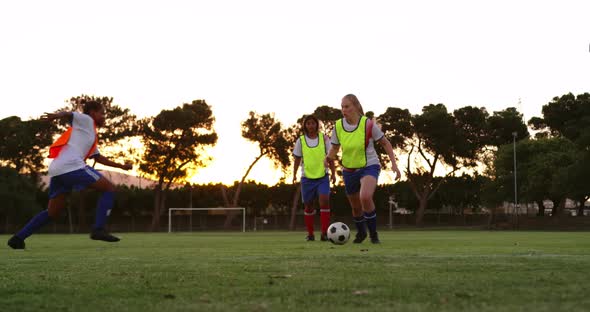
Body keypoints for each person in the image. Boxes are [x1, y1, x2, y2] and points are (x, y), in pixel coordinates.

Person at [7, 101, 132, 250]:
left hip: (57, 169)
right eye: (102, 113)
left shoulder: (87, 134)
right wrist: (56, 116)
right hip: (72, 166)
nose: (104, 117)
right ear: (92, 112)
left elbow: (98, 158)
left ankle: (18, 238)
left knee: (52, 212)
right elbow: (69, 114)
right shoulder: (87, 120)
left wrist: (122, 166)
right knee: (109, 189)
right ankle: (99, 229)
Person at [325, 94, 401, 244]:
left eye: (347, 106)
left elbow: (385, 143)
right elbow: (334, 147)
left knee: (365, 197)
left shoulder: (367, 124)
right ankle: (361, 233)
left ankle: (374, 234)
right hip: (348, 169)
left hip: (369, 166)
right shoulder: (338, 126)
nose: (343, 110)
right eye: (342, 107)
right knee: (356, 207)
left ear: (356, 106)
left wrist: (394, 164)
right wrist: (328, 158)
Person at [292, 115, 336, 241]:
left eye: (313, 123)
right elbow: (297, 159)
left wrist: (333, 173)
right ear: (305, 126)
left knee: (324, 201)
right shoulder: (300, 141)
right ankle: (310, 234)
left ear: (317, 125)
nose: (311, 125)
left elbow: (330, 157)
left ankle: (324, 233)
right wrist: (294, 174)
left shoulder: (324, 139)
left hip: (322, 176)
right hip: (307, 178)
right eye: (308, 123)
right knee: (309, 206)